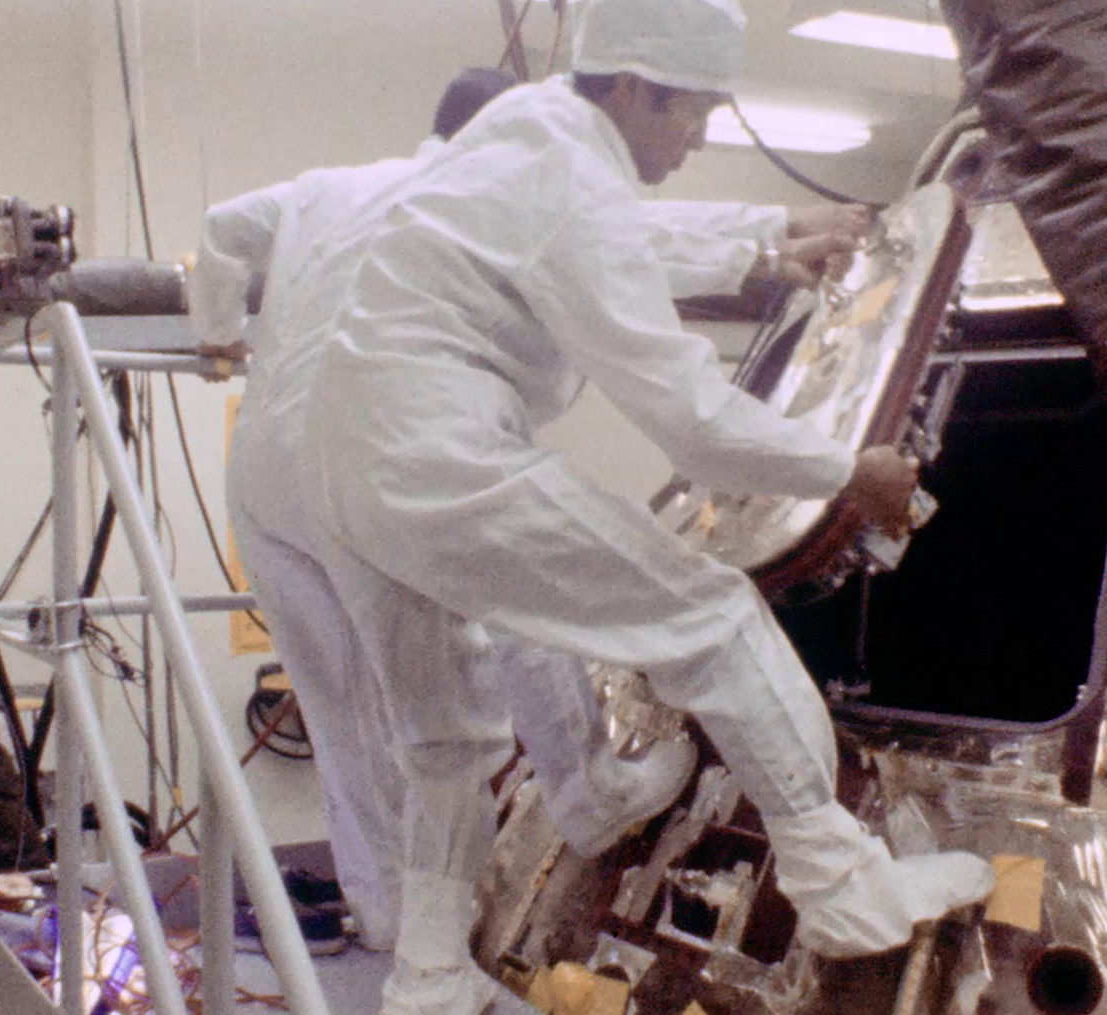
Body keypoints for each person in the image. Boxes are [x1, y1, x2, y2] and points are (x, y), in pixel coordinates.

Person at [264, 0, 992, 1009]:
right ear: (638, 87)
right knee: (709, 614)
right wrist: (842, 469)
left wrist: (766, 238)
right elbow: (692, 422)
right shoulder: (564, 171)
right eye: (693, 113)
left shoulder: (524, 132)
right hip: (436, 455)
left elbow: (612, 231)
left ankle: (427, 975)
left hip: (340, 470)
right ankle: (845, 886)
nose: (699, 138)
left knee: (447, 742)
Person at [193, 62, 869, 969]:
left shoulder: (338, 187)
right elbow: (618, 238)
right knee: (519, 607)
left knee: (348, 717)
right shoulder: (502, 180)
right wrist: (765, 235)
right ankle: (587, 791)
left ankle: (397, 937)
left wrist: (215, 330)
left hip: (274, 471)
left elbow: (221, 230)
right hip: (391, 444)